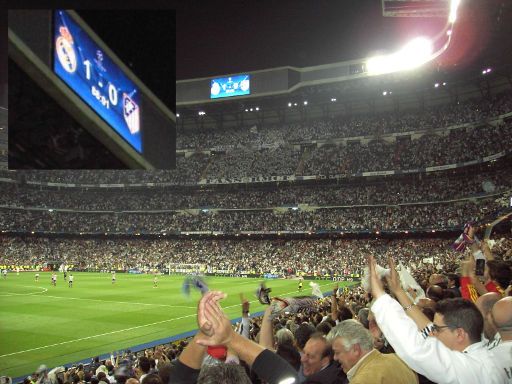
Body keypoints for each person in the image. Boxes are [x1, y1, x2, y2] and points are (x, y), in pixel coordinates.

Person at [368, 255, 508, 384]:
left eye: (438, 329)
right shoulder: (482, 352)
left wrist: (380, 296)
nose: (432, 333)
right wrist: (399, 291)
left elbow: (417, 350)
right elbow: (427, 327)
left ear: (460, 334)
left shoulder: (473, 370)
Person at [327, 319, 417, 383]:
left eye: (337, 352)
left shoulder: (361, 380)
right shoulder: (398, 358)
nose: (335, 358)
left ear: (355, 349)